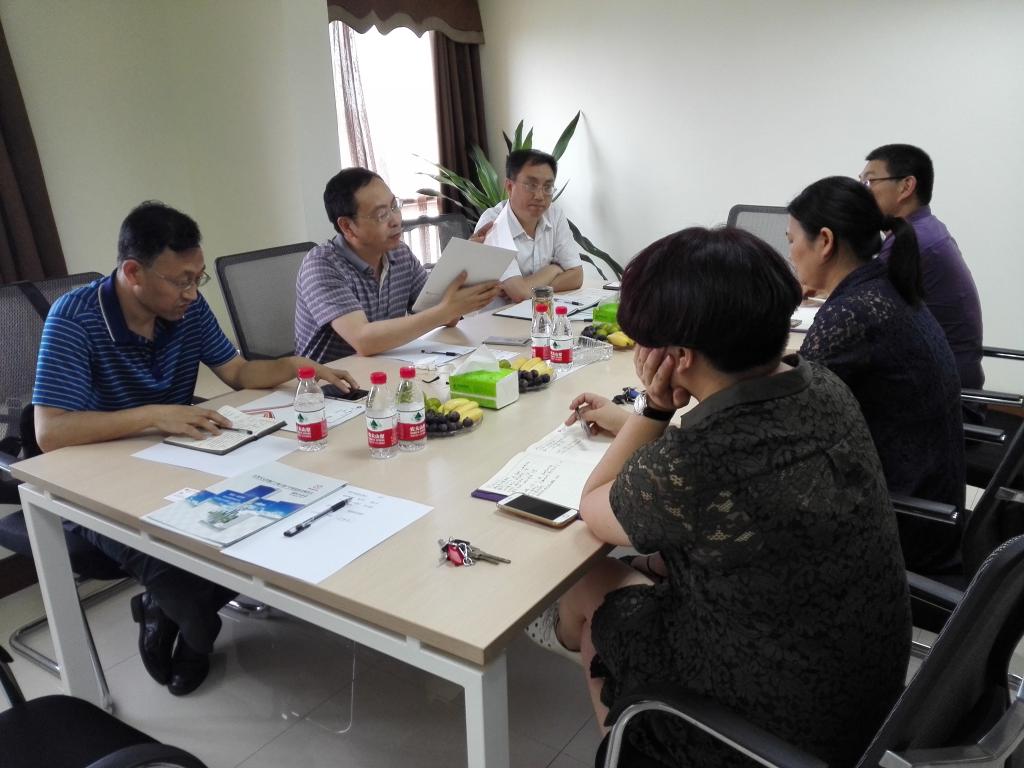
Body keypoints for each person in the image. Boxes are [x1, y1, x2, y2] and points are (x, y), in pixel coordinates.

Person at [536, 227, 911, 766]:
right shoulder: (824, 386)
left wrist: (654, 408)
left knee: (590, 587)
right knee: (647, 563)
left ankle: (633, 749)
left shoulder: (697, 463)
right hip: (866, 696)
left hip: (780, 731)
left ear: (678, 356)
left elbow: (596, 502)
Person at [33, 201, 358, 696]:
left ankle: (167, 608)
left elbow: (238, 372)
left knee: (272, 524)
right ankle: (188, 626)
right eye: (180, 281)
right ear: (133, 273)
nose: (191, 292)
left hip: (179, 461)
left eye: (197, 278)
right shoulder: (75, 317)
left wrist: (297, 366)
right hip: (99, 486)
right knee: (192, 596)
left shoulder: (186, 308)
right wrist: (154, 414)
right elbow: (50, 432)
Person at [787, 176, 966, 572]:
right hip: (929, 504)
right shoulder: (884, 286)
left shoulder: (852, 313)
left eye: (792, 240)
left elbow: (783, 416)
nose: (791, 253)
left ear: (825, 241)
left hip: (901, 526)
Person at [294, 168, 500, 361]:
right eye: (381, 214)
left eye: (394, 206)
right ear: (347, 226)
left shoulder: (400, 254)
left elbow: (444, 316)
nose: (395, 220)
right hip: (327, 383)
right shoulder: (322, 265)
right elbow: (364, 341)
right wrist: (445, 311)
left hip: (386, 367)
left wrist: (464, 261)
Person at [861, 143, 984, 393]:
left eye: (870, 181)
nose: (864, 192)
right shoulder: (925, 227)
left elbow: (864, 312)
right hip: (944, 372)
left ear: (906, 186)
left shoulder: (915, 241)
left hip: (941, 387)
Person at [473, 149, 584, 302]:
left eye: (547, 187)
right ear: (509, 187)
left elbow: (577, 276)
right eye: (531, 185)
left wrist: (532, 289)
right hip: (498, 315)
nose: (539, 196)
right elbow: (520, 293)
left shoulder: (554, 214)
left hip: (537, 311)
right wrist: (554, 269)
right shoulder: (493, 221)